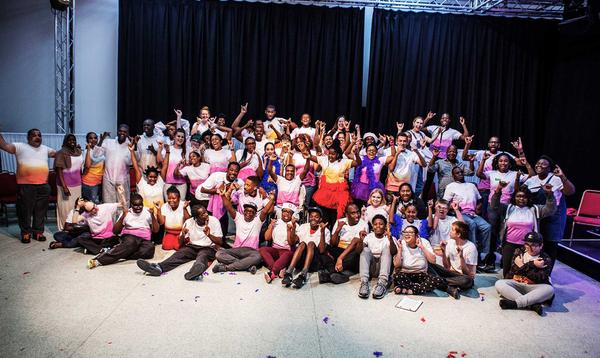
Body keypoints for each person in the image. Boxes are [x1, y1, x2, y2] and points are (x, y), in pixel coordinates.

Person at [137, 205, 223, 280]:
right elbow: (180, 243)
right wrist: (183, 235)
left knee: (202, 256)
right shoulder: (189, 222)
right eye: (203, 214)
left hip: (209, 248)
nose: (206, 214)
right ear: (196, 217)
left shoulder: (214, 221)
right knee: (179, 254)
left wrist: (209, 235)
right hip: (192, 247)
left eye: (206, 212)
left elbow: (220, 242)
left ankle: (194, 272)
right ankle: (159, 267)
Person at [0, 128, 55, 243]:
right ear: (28, 138)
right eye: (34, 135)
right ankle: (25, 233)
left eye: (39, 135)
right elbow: (4, 146)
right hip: (26, 186)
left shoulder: (45, 149)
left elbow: (59, 154)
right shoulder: (19, 146)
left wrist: (73, 149)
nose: (37, 137)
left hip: (43, 186)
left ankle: (38, 232)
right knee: (25, 211)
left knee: (40, 211)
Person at [491, 182, 556, 278]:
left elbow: (551, 210)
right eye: (518, 196)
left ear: (528, 198)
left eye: (524, 197)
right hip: (509, 245)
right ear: (514, 197)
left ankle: (522, 288)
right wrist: (498, 190)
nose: (521, 199)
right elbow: (494, 205)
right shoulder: (509, 208)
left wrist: (549, 194)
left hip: (527, 246)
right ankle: (508, 290)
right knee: (508, 271)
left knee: (525, 270)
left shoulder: (534, 209)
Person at [523, 156, 575, 263]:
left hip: (553, 217)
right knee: (536, 244)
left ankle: (547, 275)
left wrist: (562, 176)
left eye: (543, 164)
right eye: (538, 163)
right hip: (537, 216)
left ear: (549, 168)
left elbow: (570, 191)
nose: (539, 165)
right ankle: (536, 272)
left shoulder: (556, 179)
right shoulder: (531, 180)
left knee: (550, 246)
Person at [212, 187, 275, 273]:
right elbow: (229, 207)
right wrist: (223, 195)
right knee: (219, 254)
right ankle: (247, 266)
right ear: (243, 211)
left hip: (251, 251)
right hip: (237, 250)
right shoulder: (238, 218)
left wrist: (272, 199)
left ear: (255, 214)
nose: (248, 213)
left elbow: (264, 211)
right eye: (247, 210)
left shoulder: (258, 221)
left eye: (251, 211)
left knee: (258, 257)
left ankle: (226, 268)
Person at [87, 193, 159, 269]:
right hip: (129, 238)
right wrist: (123, 217)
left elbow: (156, 230)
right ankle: (99, 261)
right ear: (131, 205)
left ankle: (117, 252)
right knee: (131, 243)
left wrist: (152, 216)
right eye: (135, 205)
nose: (138, 207)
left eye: (140, 204)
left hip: (144, 240)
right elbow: (115, 231)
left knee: (150, 250)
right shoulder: (127, 213)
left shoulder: (148, 211)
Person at [495, 232, 555, 316]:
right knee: (499, 283)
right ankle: (532, 305)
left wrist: (523, 266)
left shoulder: (545, 259)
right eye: (527, 244)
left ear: (541, 246)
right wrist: (532, 264)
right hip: (517, 284)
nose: (529, 248)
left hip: (534, 287)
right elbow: (514, 271)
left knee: (549, 290)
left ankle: (515, 304)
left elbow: (538, 278)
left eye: (533, 245)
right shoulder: (519, 252)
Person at [444, 166, 492, 270]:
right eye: (457, 173)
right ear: (453, 176)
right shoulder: (450, 186)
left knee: (487, 227)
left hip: (473, 213)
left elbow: (479, 200)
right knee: (471, 225)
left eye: (461, 172)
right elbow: (446, 203)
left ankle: (483, 255)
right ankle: (473, 256)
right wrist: (454, 209)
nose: (460, 174)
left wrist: (478, 208)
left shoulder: (471, 185)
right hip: (460, 213)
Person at [310, 139, 361, 224]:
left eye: (333, 154)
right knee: (324, 219)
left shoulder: (344, 162)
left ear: (338, 154)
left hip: (338, 194)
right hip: (325, 194)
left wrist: (356, 154)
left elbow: (358, 163)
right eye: (329, 153)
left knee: (336, 219)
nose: (330, 156)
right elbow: (309, 156)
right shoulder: (324, 160)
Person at [281, 207, 331, 289]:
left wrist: (322, 232)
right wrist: (293, 227)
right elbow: (293, 241)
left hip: (314, 262)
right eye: (311, 216)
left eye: (316, 217)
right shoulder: (304, 226)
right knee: (303, 244)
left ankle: (303, 275)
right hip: (300, 261)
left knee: (311, 243)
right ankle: (289, 272)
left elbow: (322, 250)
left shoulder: (325, 230)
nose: (313, 218)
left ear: (320, 219)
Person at [319, 204, 368, 284]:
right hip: (339, 249)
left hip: (351, 252)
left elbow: (355, 241)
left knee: (355, 254)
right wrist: (338, 229)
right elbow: (333, 243)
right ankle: (336, 274)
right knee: (323, 249)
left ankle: (330, 273)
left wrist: (340, 258)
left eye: (358, 212)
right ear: (347, 215)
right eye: (353, 213)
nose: (356, 215)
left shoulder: (363, 224)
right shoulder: (340, 221)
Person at [392, 225, 445, 295]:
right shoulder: (401, 243)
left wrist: (421, 247)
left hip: (421, 275)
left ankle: (408, 289)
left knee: (438, 280)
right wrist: (399, 249)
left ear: (416, 235)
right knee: (397, 276)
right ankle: (418, 289)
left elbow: (433, 261)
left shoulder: (424, 242)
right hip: (405, 275)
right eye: (405, 232)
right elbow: (396, 265)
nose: (407, 234)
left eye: (410, 232)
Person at [75, 185, 127, 255]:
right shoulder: (86, 215)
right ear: (88, 212)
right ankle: (102, 249)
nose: (95, 208)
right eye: (92, 209)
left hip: (109, 237)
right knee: (80, 239)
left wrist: (121, 194)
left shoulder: (105, 207)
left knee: (118, 239)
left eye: (94, 205)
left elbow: (122, 204)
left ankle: (94, 250)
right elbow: (74, 221)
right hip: (96, 239)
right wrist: (77, 207)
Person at [430, 221, 477, 299]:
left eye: (452, 230)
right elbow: (447, 266)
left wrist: (461, 257)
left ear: (458, 234)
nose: (450, 232)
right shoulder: (450, 242)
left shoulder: (471, 247)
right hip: (451, 274)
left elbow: (468, 274)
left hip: (462, 276)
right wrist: (443, 251)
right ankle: (447, 287)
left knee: (467, 281)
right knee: (429, 265)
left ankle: (438, 281)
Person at [196, 162, 243, 235]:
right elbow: (203, 190)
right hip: (203, 197)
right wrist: (219, 190)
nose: (233, 172)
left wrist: (237, 190)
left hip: (221, 200)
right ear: (227, 170)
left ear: (238, 172)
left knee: (223, 217)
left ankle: (222, 238)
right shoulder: (216, 176)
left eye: (236, 171)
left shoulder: (239, 182)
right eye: (231, 170)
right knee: (210, 218)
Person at [357, 215, 396, 299]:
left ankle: (382, 283)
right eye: (375, 224)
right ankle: (364, 283)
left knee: (387, 249)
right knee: (366, 249)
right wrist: (361, 240)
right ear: (372, 226)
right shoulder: (368, 237)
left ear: (385, 226)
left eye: (381, 224)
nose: (378, 226)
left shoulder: (389, 237)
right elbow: (358, 251)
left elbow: (394, 252)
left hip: (384, 269)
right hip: (372, 268)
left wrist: (391, 240)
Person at [260, 203, 299, 283]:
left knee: (287, 254)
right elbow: (267, 238)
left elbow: (291, 243)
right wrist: (271, 226)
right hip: (275, 249)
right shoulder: (276, 222)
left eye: (289, 212)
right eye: (285, 211)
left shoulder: (295, 225)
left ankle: (272, 273)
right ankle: (280, 268)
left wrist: (290, 230)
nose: (286, 214)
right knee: (262, 249)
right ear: (281, 212)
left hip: (287, 251)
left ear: (292, 214)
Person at [54, 134, 83, 231]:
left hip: (77, 184)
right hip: (65, 185)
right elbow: (59, 171)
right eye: (69, 140)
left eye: (73, 139)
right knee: (65, 207)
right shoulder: (61, 153)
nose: (72, 141)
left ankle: (73, 226)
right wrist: (64, 187)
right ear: (65, 141)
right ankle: (63, 227)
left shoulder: (78, 151)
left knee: (75, 206)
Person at [97, 125, 132, 205]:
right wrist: (101, 140)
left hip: (122, 180)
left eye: (124, 132)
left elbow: (130, 162)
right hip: (108, 179)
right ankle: (110, 218)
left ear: (127, 133)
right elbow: (97, 154)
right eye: (120, 131)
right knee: (108, 204)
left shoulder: (129, 145)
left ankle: (122, 218)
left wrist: (132, 148)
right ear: (117, 131)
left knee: (123, 203)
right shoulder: (109, 142)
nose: (122, 133)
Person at [129, 141, 165, 211]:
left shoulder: (160, 183)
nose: (153, 179)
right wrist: (132, 151)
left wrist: (164, 150)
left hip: (159, 214)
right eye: (150, 177)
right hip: (145, 214)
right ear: (146, 177)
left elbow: (165, 167)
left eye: (155, 177)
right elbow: (136, 167)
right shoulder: (141, 183)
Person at [155, 186, 190, 250]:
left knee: (177, 247)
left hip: (182, 232)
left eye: (174, 198)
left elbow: (188, 220)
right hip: (170, 232)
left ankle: (179, 240)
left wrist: (184, 209)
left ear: (179, 198)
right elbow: (161, 222)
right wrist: (158, 210)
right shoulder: (164, 206)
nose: (171, 200)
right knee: (166, 247)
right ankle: (174, 239)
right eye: (169, 198)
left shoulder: (184, 205)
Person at [157, 129, 189, 198]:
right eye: (178, 136)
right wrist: (160, 148)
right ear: (174, 137)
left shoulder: (186, 150)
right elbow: (160, 161)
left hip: (182, 183)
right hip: (168, 182)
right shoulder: (168, 148)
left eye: (182, 137)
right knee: (168, 204)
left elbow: (188, 167)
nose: (180, 138)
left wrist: (185, 164)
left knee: (181, 204)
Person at [82, 132, 104, 203]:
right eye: (90, 138)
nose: (93, 139)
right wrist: (88, 149)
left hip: (98, 181)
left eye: (95, 138)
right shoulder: (86, 151)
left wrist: (102, 139)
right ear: (87, 140)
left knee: (95, 204)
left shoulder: (99, 150)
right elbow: (87, 166)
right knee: (90, 205)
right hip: (89, 182)